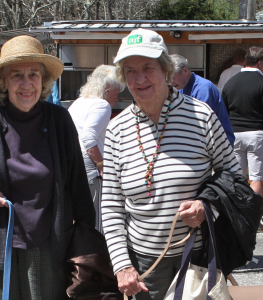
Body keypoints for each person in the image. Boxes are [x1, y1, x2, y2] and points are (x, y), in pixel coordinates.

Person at [101, 28, 241, 300]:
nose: (139, 78)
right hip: (144, 266)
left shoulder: (201, 116)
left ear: (165, 69)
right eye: (130, 70)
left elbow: (233, 176)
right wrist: (122, 266)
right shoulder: (116, 130)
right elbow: (111, 206)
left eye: (147, 67)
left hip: (197, 259)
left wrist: (207, 207)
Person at [0, 35, 95, 300]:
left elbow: (78, 184)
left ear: (43, 79)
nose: (26, 84)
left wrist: (87, 242)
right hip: (0, 244)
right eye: (17, 75)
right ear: (2, 80)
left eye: (33, 74)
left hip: (49, 247)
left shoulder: (59, 120)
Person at [68, 64, 125, 233]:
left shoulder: (79, 103)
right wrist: (101, 165)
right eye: (117, 90)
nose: (117, 97)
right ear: (107, 89)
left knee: (81, 216)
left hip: (74, 163)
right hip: (89, 165)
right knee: (97, 218)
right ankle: (98, 256)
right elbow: (88, 137)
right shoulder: (102, 105)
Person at [222, 46, 263, 197]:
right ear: (260, 63)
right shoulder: (261, 81)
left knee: (237, 178)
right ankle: (254, 215)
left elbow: (224, 111)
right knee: (256, 178)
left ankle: (239, 213)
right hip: (257, 135)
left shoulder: (231, 82)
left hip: (235, 135)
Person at [170, 54, 235, 147]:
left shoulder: (203, 88)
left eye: (172, 78)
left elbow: (198, 122)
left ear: (185, 71)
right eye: (167, 78)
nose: (170, 82)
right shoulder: (179, 88)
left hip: (218, 145)